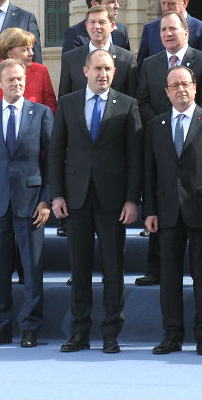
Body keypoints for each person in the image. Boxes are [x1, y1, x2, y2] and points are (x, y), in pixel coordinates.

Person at [49, 48, 143, 354]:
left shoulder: (127, 105)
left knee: (113, 268)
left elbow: (135, 158)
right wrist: (57, 194)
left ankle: (111, 333)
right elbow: (55, 152)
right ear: (85, 70)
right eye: (97, 68)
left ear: (114, 72)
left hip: (113, 200)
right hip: (76, 197)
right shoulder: (68, 103)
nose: (103, 73)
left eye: (108, 69)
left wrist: (132, 199)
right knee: (80, 268)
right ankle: (79, 333)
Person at [143, 65, 202, 356]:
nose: (181, 89)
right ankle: (172, 335)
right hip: (167, 212)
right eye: (174, 85)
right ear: (167, 92)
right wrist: (150, 211)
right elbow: (150, 172)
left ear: (194, 87)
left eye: (185, 84)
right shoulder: (156, 126)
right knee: (169, 279)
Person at [133, 10, 202, 286]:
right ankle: (154, 269)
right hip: (160, 142)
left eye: (173, 29)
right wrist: (162, 125)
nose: (168, 34)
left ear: (186, 32)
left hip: (196, 147)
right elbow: (142, 100)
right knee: (161, 209)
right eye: (163, 30)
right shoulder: (149, 63)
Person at [0, 59, 53, 348]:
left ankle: (30, 328)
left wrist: (46, 199)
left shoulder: (42, 113)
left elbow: (52, 161)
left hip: (31, 204)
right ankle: (2, 326)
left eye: (20, 78)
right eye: (10, 79)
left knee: (32, 270)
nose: (16, 83)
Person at [0, 28, 56, 119]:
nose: (31, 53)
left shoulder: (41, 71)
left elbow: (51, 107)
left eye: (31, 49)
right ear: (10, 53)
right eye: (24, 50)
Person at [59, 5, 138, 97]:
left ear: (112, 26)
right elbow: (64, 98)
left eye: (102, 22)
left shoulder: (127, 59)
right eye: (92, 22)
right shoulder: (70, 58)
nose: (96, 26)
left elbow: (133, 97)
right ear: (87, 26)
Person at [136, 0, 202, 61]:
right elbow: (142, 67)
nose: (166, 8)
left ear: (185, 3)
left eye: (171, 4)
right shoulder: (150, 29)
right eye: (163, 3)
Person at [62, 0, 131, 52]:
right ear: (94, 4)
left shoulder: (121, 30)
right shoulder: (74, 34)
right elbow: (70, 61)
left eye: (117, 2)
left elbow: (127, 59)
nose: (117, 6)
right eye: (111, 2)